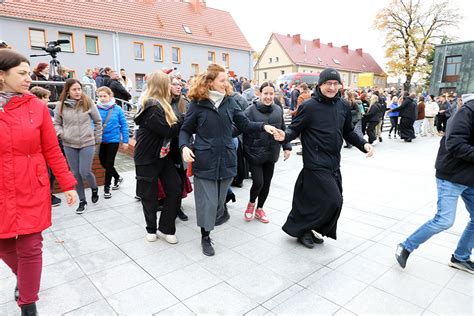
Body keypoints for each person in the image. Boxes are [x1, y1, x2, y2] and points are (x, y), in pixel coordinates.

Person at [0, 49, 77, 316]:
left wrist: (67, 184)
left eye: (28, 72)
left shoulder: (36, 106)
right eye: (21, 73)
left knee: (31, 246)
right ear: (1, 75)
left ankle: (28, 303)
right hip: (1, 188)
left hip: (31, 184)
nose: (28, 79)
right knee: (4, 244)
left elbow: (52, 149)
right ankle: (25, 280)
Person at [179, 64, 278, 256]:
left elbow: (244, 124)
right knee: (207, 202)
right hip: (205, 159)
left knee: (218, 203)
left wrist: (263, 127)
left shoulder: (230, 102)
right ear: (210, 82)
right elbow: (185, 129)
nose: (227, 83)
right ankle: (205, 236)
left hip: (226, 158)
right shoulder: (197, 104)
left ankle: (219, 212)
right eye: (222, 80)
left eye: (227, 80)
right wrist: (184, 147)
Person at [273, 68, 374, 248]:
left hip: (333, 162)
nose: (332, 87)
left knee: (315, 200)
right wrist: (284, 137)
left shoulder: (343, 105)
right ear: (320, 84)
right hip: (315, 162)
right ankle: (305, 228)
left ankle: (306, 229)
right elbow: (294, 129)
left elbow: (348, 131)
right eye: (328, 83)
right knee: (334, 200)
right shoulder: (309, 106)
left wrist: (363, 143)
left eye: (336, 84)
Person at [395, 94, 474, 274]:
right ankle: (405, 246)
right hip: (452, 175)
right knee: (444, 220)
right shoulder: (467, 112)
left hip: (470, 177)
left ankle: (460, 257)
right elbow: (455, 143)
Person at [134, 71, 184, 244]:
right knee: (149, 195)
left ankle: (166, 228)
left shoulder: (164, 103)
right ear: (162, 85)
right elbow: (169, 130)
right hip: (146, 157)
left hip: (163, 156)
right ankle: (151, 229)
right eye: (169, 83)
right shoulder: (152, 106)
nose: (173, 86)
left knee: (175, 189)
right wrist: (185, 119)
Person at [242, 82, 292, 223]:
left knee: (267, 183)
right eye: (266, 93)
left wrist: (286, 146)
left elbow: (282, 128)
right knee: (258, 182)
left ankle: (260, 209)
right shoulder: (250, 110)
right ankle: (251, 204)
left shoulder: (278, 109)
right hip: (254, 153)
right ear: (259, 94)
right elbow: (242, 127)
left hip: (271, 152)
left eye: (271, 94)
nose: (268, 97)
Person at [54, 79, 103, 214]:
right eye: (74, 89)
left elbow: (98, 121)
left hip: (87, 142)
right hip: (69, 144)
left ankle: (94, 188)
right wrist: (61, 133)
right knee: (75, 174)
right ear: (68, 91)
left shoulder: (88, 102)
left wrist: (97, 138)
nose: (77, 92)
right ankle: (82, 201)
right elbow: (56, 123)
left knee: (84, 172)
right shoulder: (60, 105)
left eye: (79, 89)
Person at [30, 86, 63, 207]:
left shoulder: (48, 111)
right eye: (46, 98)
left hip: (53, 145)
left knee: (52, 172)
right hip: (39, 149)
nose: (48, 100)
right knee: (44, 174)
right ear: (38, 98)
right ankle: (46, 196)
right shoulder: (31, 112)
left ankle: (49, 194)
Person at [96, 86, 129, 199]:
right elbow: (91, 123)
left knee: (109, 163)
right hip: (100, 139)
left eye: (105, 96)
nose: (102, 98)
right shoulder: (95, 108)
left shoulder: (117, 109)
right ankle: (117, 177)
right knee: (103, 163)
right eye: (100, 96)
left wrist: (125, 140)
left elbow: (124, 125)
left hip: (113, 139)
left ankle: (107, 188)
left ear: (110, 96)